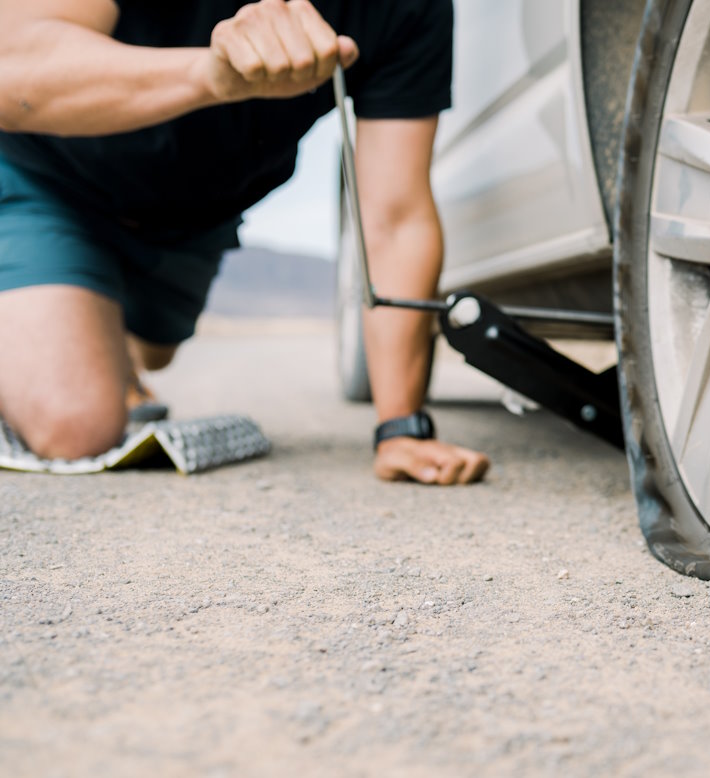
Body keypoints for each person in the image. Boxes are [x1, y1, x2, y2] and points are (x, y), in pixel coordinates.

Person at [0, 0, 490, 485]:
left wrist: (400, 428)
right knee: (73, 423)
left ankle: (90, 335)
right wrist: (208, 74)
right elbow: (11, 70)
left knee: (155, 351)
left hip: (194, 213)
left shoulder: (409, 10)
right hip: (46, 177)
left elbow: (396, 218)